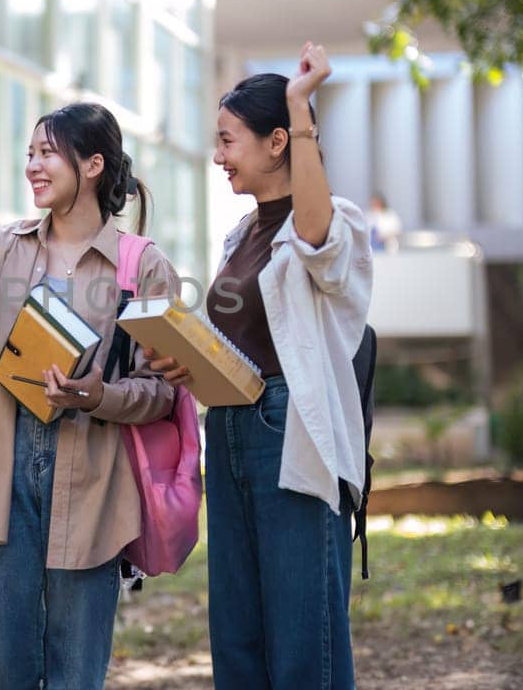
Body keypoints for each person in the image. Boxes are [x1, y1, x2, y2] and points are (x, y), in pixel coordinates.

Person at [0, 102, 178, 688]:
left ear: (94, 164)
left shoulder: (142, 266)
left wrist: (99, 395)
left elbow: (163, 393)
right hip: (6, 470)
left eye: (47, 153)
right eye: (30, 154)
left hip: (97, 480)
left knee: (76, 667)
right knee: (2, 659)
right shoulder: (5, 245)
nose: (33, 166)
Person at [147, 42, 372, 689]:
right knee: (239, 630)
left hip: (290, 431)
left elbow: (319, 245)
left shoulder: (333, 225)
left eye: (227, 141)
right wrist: (186, 359)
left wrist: (302, 105)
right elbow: (235, 346)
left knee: (304, 632)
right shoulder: (237, 236)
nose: (218, 157)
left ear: (278, 142)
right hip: (232, 429)